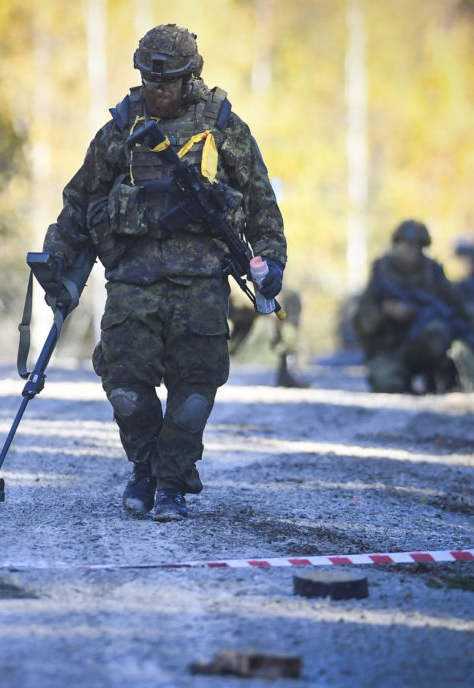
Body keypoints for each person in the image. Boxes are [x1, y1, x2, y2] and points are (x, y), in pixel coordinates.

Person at [38, 24, 287, 521]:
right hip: (131, 281)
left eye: (169, 82)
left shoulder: (222, 127)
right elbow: (80, 199)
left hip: (201, 287)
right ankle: (145, 468)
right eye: (150, 82)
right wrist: (59, 256)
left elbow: (261, 203)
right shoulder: (122, 128)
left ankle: (172, 481)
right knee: (126, 387)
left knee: (194, 394)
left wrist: (271, 260)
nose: (158, 91)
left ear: (191, 78)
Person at [351, 219, 474, 394]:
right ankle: (403, 381)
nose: (410, 251)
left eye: (417, 247)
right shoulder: (381, 273)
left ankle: (439, 377)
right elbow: (360, 320)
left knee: (437, 330)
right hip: (390, 349)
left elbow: (459, 309)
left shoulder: (433, 273)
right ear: (395, 245)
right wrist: (385, 311)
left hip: (424, 348)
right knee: (387, 386)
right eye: (405, 245)